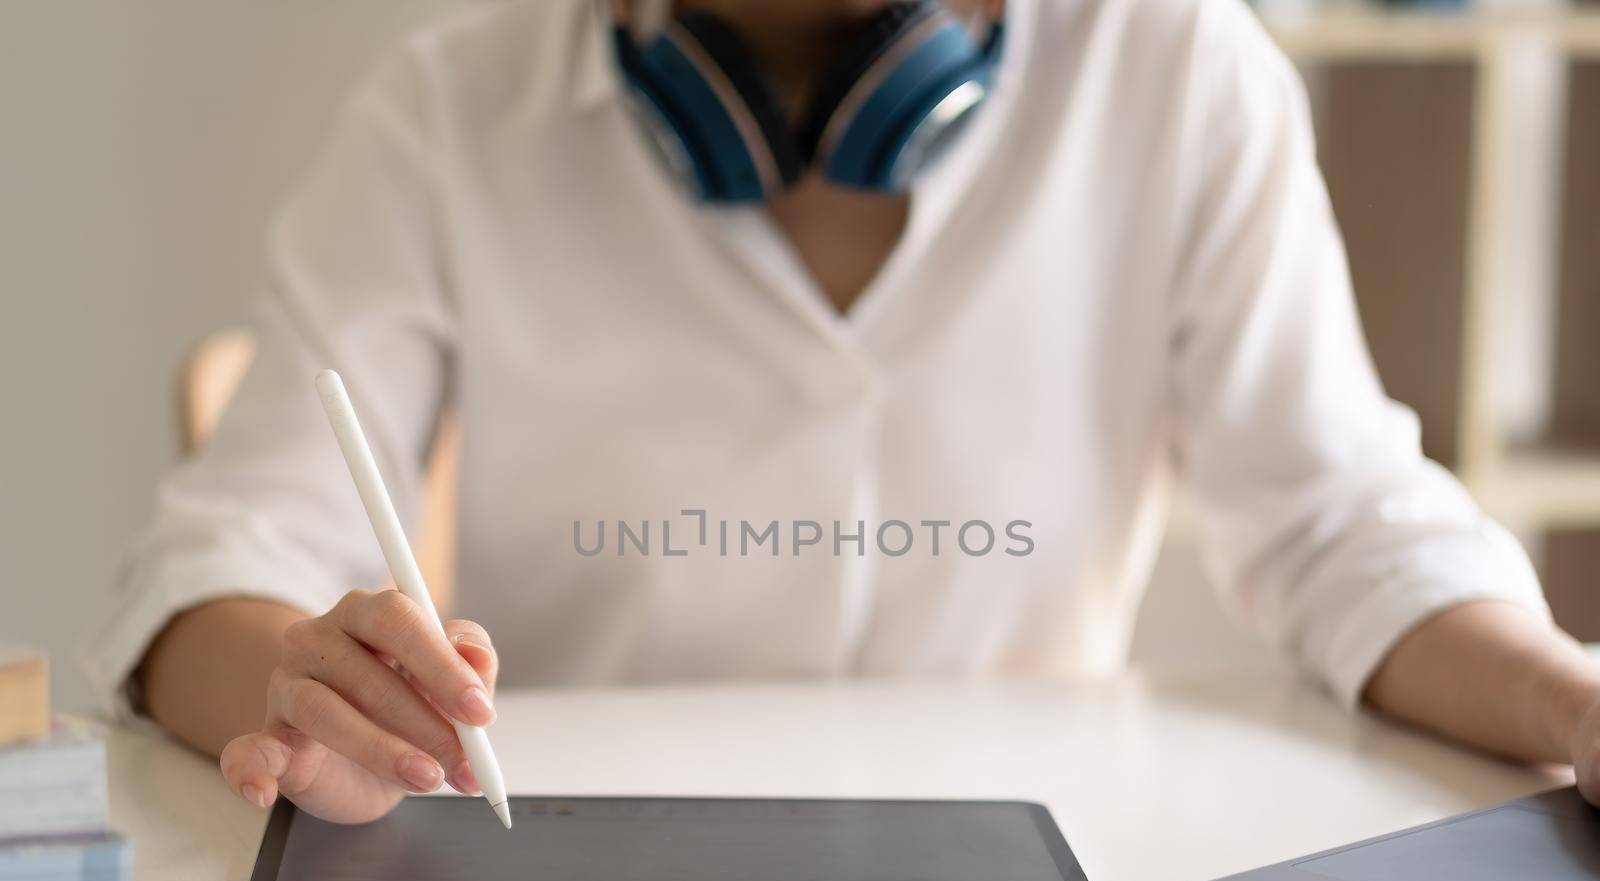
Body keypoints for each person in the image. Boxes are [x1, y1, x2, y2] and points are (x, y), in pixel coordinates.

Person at [90, 0, 1600, 825]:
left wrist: (1569, 700)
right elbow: (216, 563)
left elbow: (1347, 527)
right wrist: (298, 679)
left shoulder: (1185, 70)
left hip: (1038, 872)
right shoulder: (444, 113)